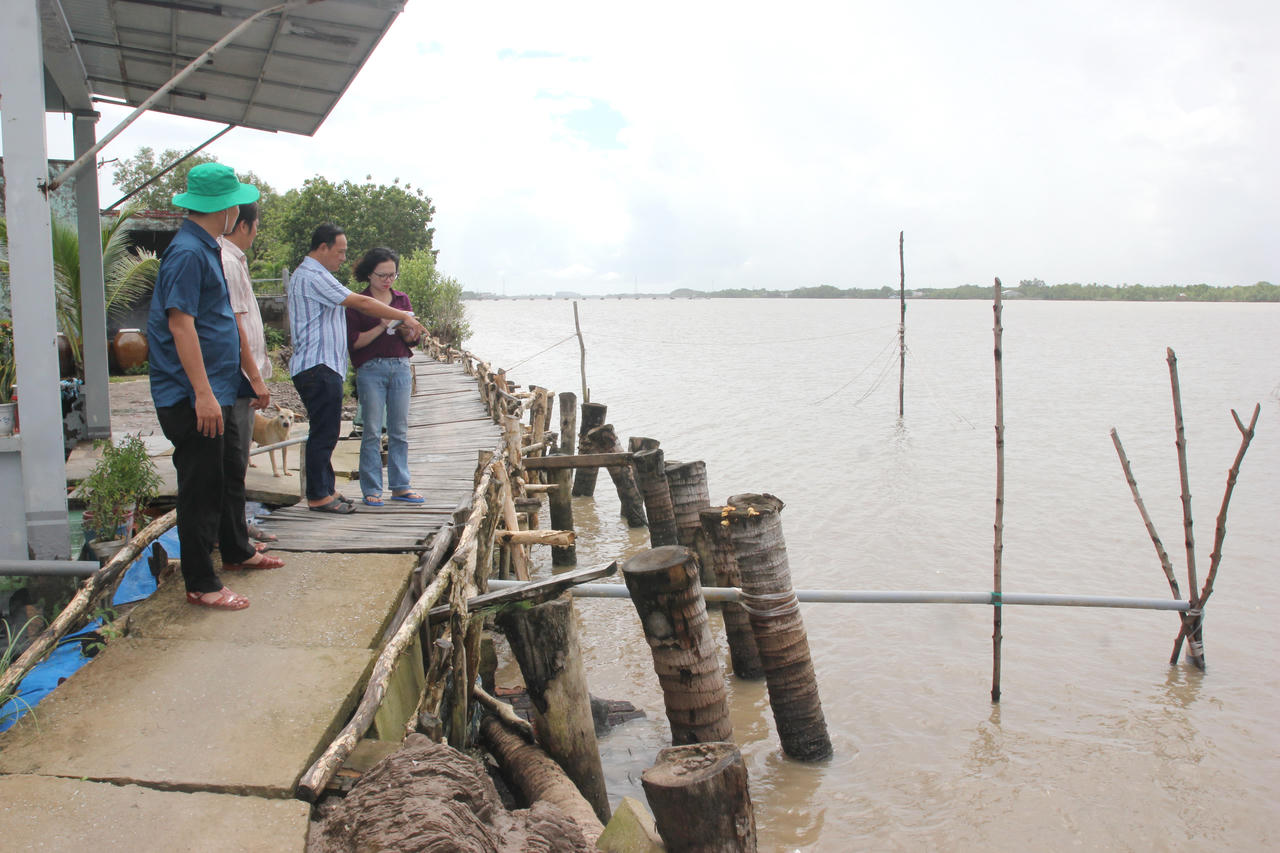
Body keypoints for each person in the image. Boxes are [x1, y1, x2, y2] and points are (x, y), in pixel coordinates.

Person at [148, 163, 275, 611]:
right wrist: (202, 393)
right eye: (235, 203)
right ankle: (201, 582)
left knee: (222, 476)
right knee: (199, 488)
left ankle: (236, 550)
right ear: (225, 208)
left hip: (216, 388)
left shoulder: (206, 249)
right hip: (191, 395)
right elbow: (180, 325)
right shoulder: (187, 253)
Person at [288, 224, 426, 514]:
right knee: (327, 433)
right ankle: (320, 494)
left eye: (392, 275)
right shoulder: (313, 275)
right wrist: (401, 317)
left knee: (329, 431)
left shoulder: (317, 275)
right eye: (340, 252)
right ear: (322, 248)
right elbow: (360, 304)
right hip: (319, 363)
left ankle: (327, 489)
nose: (343, 258)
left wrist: (404, 325)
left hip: (331, 364)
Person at [219, 201, 285, 559]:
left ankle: (238, 527)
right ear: (243, 225)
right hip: (240, 379)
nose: (257, 232)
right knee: (235, 460)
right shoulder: (228, 261)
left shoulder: (236, 260)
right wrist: (256, 379)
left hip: (243, 377)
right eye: (257, 225)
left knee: (238, 458)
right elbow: (236, 326)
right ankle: (234, 535)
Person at [346, 248, 424, 506]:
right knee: (372, 430)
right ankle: (371, 488)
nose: (388, 280)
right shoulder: (359, 302)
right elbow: (354, 343)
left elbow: (412, 341)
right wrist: (382, 324)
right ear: (369, 274)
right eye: (382, 275)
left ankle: (401, 485)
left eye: (392, 275)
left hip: (400, 366)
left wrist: (408, 330)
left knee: (399, 429)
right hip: (371, 368)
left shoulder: (401, 299)